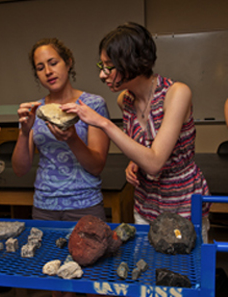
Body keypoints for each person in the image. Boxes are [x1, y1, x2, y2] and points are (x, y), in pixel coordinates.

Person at [62, 22, 211, 243]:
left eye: (109, 67)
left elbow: (155, 162)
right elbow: (143, 151)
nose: (103, 75)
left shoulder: (176, 93)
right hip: (145, 204)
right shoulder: (125, 101)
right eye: (101, 65)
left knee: (186, 273)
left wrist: (103, 122)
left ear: (130, 63)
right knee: (149, 271)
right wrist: (134, 162)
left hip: (182, 204)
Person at [12, 38, 110, 224]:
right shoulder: (35, 110)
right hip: (44, 206)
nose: (48, 72)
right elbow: (20, 170)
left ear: (68, 62)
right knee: (47, 254)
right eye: (40, 68)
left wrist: (72, 138)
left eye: (53, 63)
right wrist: (24, 133)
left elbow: (97, 166)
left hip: (85, 205)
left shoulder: (92, 105)